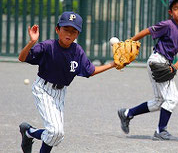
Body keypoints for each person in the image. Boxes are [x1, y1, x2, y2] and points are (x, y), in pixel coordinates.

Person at [18, 11, 116, 153]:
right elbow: (22, 58)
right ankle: (29, 133)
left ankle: (29, 132)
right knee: (55, 132)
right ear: (58, 29)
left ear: (77, 34)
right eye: (66, 29)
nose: (69, 34)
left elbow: (90, 70)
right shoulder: (48, 46)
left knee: (57, 135)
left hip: (60, 93)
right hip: (43, 89)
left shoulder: (77, 51)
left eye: (73, 31)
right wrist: (32, 42)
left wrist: (113, 64)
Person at [118, 0, 178, 141]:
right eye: (175, 8)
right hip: (157, 61)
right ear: (170, 12)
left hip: (165, 64)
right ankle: (160, 131)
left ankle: (127, 113)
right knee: (172, 99)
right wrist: (129, 42)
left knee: (160, 101)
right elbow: (148, 31)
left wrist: (176, 66)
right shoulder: (167, 25)